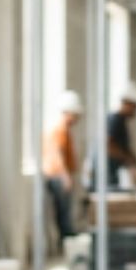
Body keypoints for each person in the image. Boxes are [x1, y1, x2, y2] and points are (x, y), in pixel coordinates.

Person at [43, 89, 82, 250]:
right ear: (67, 113)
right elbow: (57, 153)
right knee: (64, 213)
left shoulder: (61, 129)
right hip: (58, 176)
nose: (77, 119)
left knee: (63, 212)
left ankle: (67, 243)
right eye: (75, 115)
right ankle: (68, 245)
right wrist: (65, 176)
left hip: (57, 175)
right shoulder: (59, 129)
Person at [106, 81, 136, 188]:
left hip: (112, 173)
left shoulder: (120, 121)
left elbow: (121, 146)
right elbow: (108, 145)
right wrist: (128, 159)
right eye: (134, 106)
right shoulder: (115, 120)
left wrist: (133, 158)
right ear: (126, 103)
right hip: (107, 175)